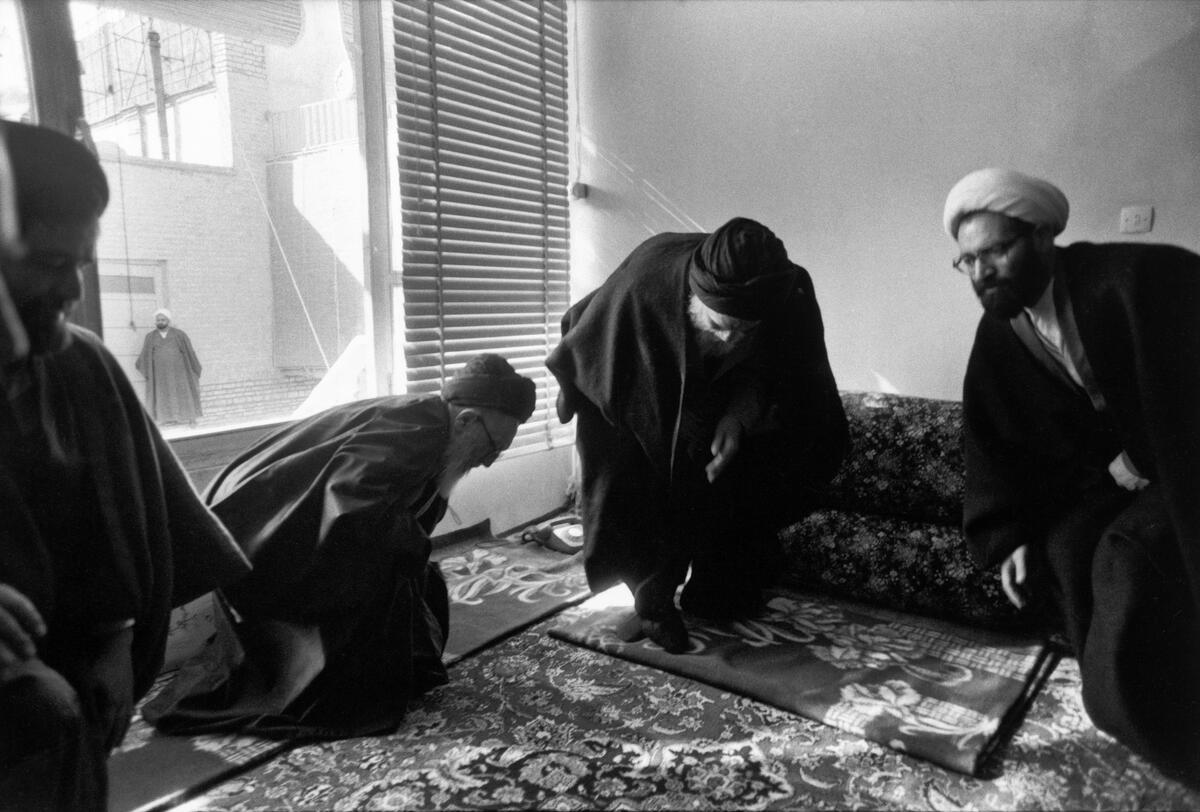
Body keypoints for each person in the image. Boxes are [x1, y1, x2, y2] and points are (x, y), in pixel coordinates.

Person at [0, 120, 249, 811]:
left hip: (76, 687)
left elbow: (113, 526)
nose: (71, 291)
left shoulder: (81, 364)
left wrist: (117, 640)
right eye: (50, 264)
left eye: (81, 264)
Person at [945, 167, 1200, 786]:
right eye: (967, 261)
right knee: (1066, 544)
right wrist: (1008, 533)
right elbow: (993, 437)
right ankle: (1129, 711)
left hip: (1187, 465)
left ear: (1041, 237)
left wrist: (1144, 457)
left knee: (1127, 555)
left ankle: (1179, 729)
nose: (981, 273)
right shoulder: (1003, 330)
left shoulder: (1136, 279)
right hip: (1120, 481)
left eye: (995, 252)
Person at [146, 354, 536, 739]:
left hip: (295, 526)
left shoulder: (437, 426)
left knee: (415, 584)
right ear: (465, 420)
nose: (489, 462)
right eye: (491, 448)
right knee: (381, 602)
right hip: (262, 538)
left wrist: (410, 548)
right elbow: (350, 504)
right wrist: (408, 550)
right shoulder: (414, 431)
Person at [546, 217, 848, 654]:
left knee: (732, 479)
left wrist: (738, 417)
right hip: (620, 374)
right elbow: (598, 346)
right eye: (718, 324)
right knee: (628, 487)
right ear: (694, 297)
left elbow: (773, 371)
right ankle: (650, 598)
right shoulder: (647, 283)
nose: (729, 339)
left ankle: (713, 586)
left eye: (744, 330)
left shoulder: (785, 296)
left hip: (714, 386)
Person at [135, 308, 202, 426]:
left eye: (163, 320)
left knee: (184, 392)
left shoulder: (179, 334)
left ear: (168, 321)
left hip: (179, 372)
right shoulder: (150, 337)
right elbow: (145, 355)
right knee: (162, 394)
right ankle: (166, 419)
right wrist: (146, 370)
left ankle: (191, 419)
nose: (160, 322)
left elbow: (189, 352)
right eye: (158, 320)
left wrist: (194, 367)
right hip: (160, 373)